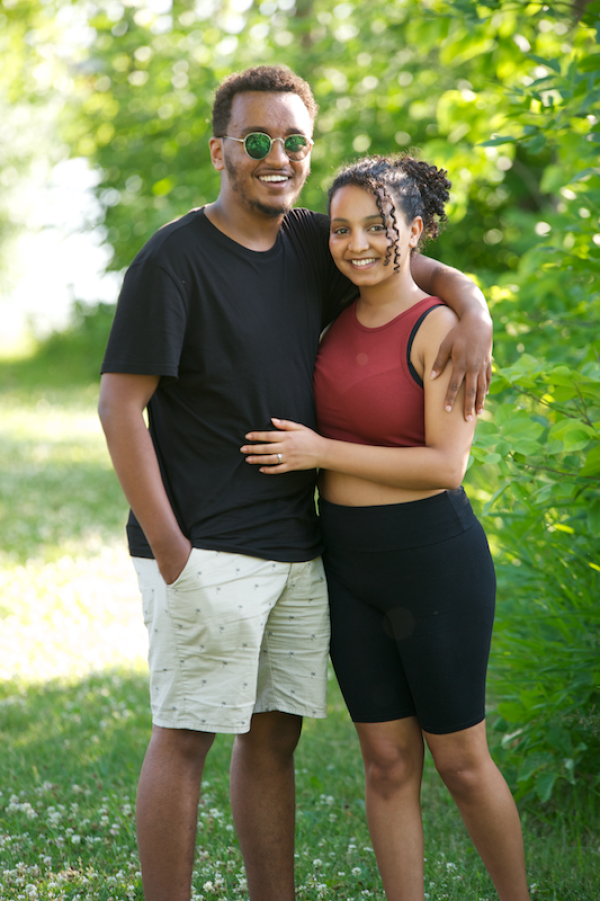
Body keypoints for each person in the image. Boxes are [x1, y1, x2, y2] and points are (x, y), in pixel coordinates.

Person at [98, 65, 493, 901]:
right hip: (204, 543)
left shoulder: (312, 242)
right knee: (186, 736)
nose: (276, 155)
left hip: (299, 545)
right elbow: (118, 406)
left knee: (273, 739)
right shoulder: (173, 259)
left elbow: (420, 262)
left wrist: (478, 311)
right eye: (256, 140)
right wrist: (172, 549)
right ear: (220, 149)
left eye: (294, 140)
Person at [242, 155, 530, 901]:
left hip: (433, 561)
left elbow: (445, 466)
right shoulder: (332, 317)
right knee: (387, 764)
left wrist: (318, 451)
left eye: (379, 225)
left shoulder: (441, 330)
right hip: (349, 563)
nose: (357, 243)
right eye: (341, 228)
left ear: (418, 230)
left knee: (462, 763)